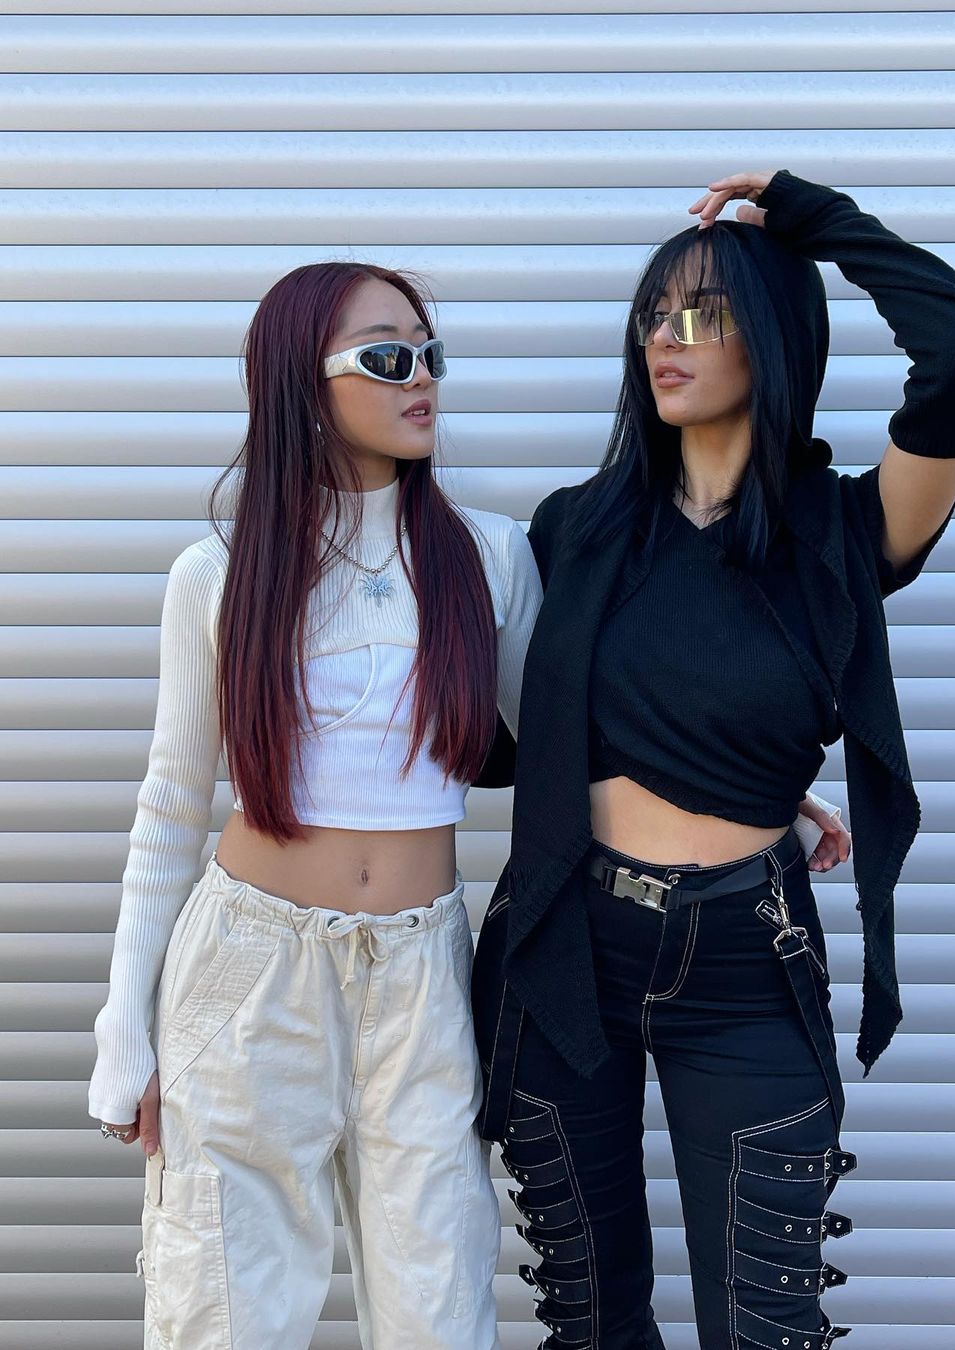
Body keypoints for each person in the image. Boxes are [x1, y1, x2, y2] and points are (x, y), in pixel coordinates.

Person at [471, 168, 955, 1348]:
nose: (668, 336)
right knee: (589, 1323)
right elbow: (546, 723)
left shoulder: (848, 533)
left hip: (743, 958)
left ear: (772, 333)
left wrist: (814, 217)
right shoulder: (575, 527)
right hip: (567, 947)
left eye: (705, 312)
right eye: (656, 314)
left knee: (767, 1325)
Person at [86, 261, 546, 1349]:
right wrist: (123, 1024)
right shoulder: (219, 573)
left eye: (430, 354)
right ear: (301, 378)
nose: (421, 377)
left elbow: (574, 746)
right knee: (224, 1314)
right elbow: (170, 807)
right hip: (248, 971)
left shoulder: (488, 556)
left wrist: (753, 793)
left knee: (441, 1311)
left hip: (423, 977)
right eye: (387, 357)